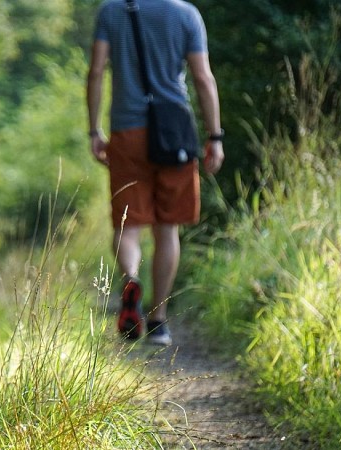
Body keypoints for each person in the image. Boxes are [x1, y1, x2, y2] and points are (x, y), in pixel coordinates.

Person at [86, 0, 224, 345]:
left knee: (127, 225)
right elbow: (202, 77)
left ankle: (131, 278)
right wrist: (215, 136)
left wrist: (94, 131)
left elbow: (96, 71)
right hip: (173, 132)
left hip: (126, 131)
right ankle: (159, 322)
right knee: (168, 227)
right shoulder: (186, 14)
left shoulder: (112, 12)